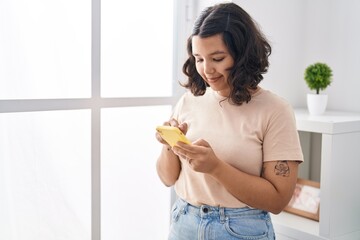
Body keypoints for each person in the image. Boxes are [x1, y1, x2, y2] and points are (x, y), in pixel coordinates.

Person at [155, 2, 303, 240]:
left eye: (217, 58)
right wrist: (169, 146)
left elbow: (277, 200)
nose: (206, 70)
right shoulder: (190, 100)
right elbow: (167, 178)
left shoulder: (275, 111)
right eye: (199, 59)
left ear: (243, 54)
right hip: (184, 222)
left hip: (241, 230)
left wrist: (216, 167)